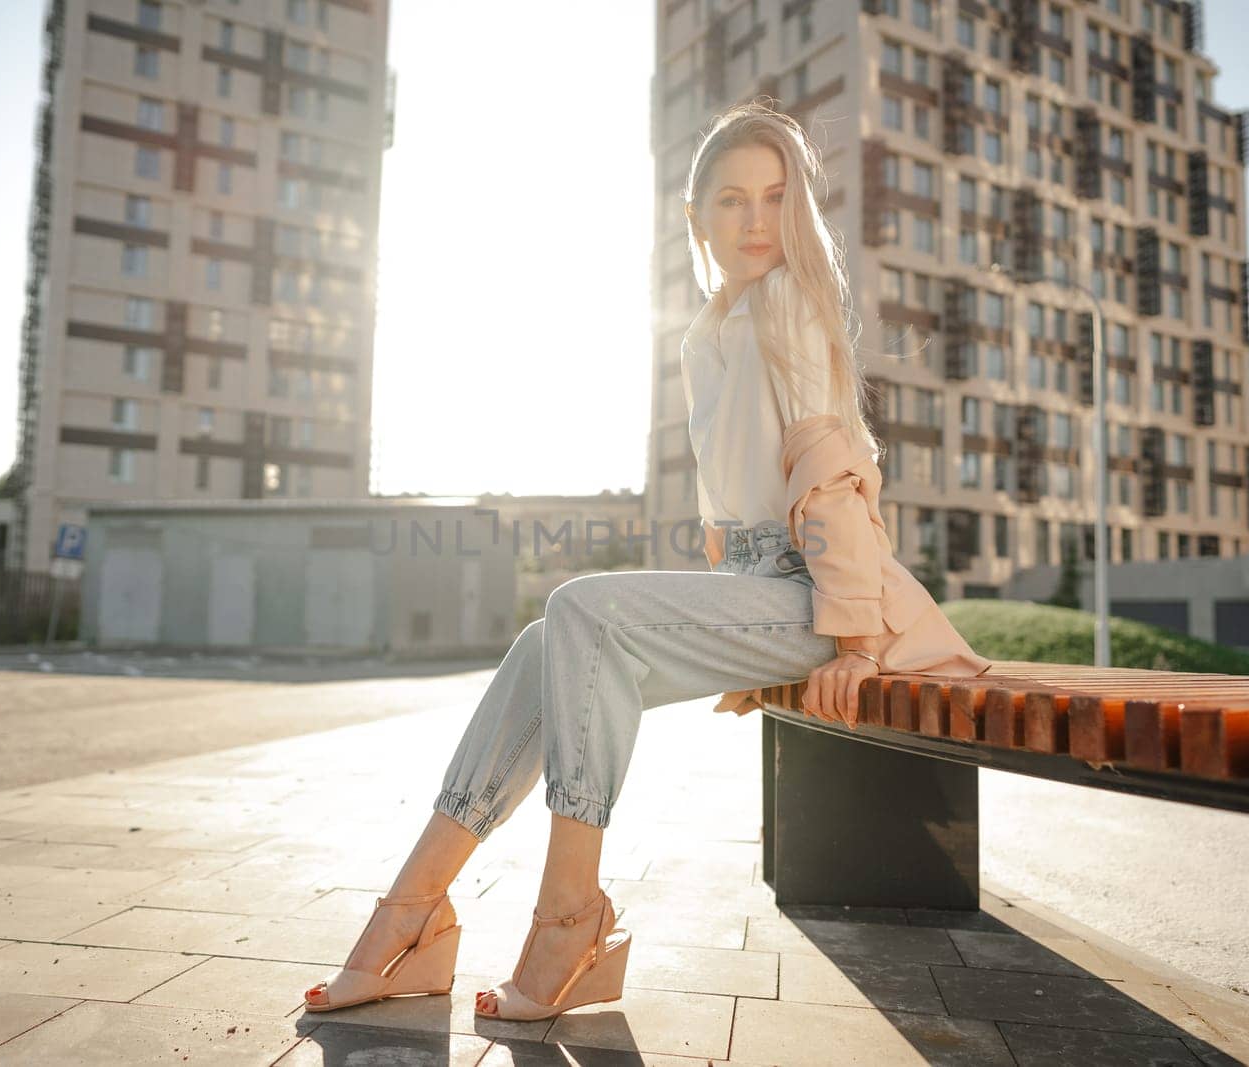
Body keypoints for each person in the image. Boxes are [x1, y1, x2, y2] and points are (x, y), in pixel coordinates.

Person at [301, 101, 990, 1022]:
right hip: (757, 590)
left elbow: (831, 476)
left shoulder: (790, 303)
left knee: (580, 609)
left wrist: (856, 639)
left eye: (775, 199)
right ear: (695, 217)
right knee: (547, 640)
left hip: (822, 596)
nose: (755, 221)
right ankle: (410, 917)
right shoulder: (706, 337)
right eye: (733, 200)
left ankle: (567, 916)